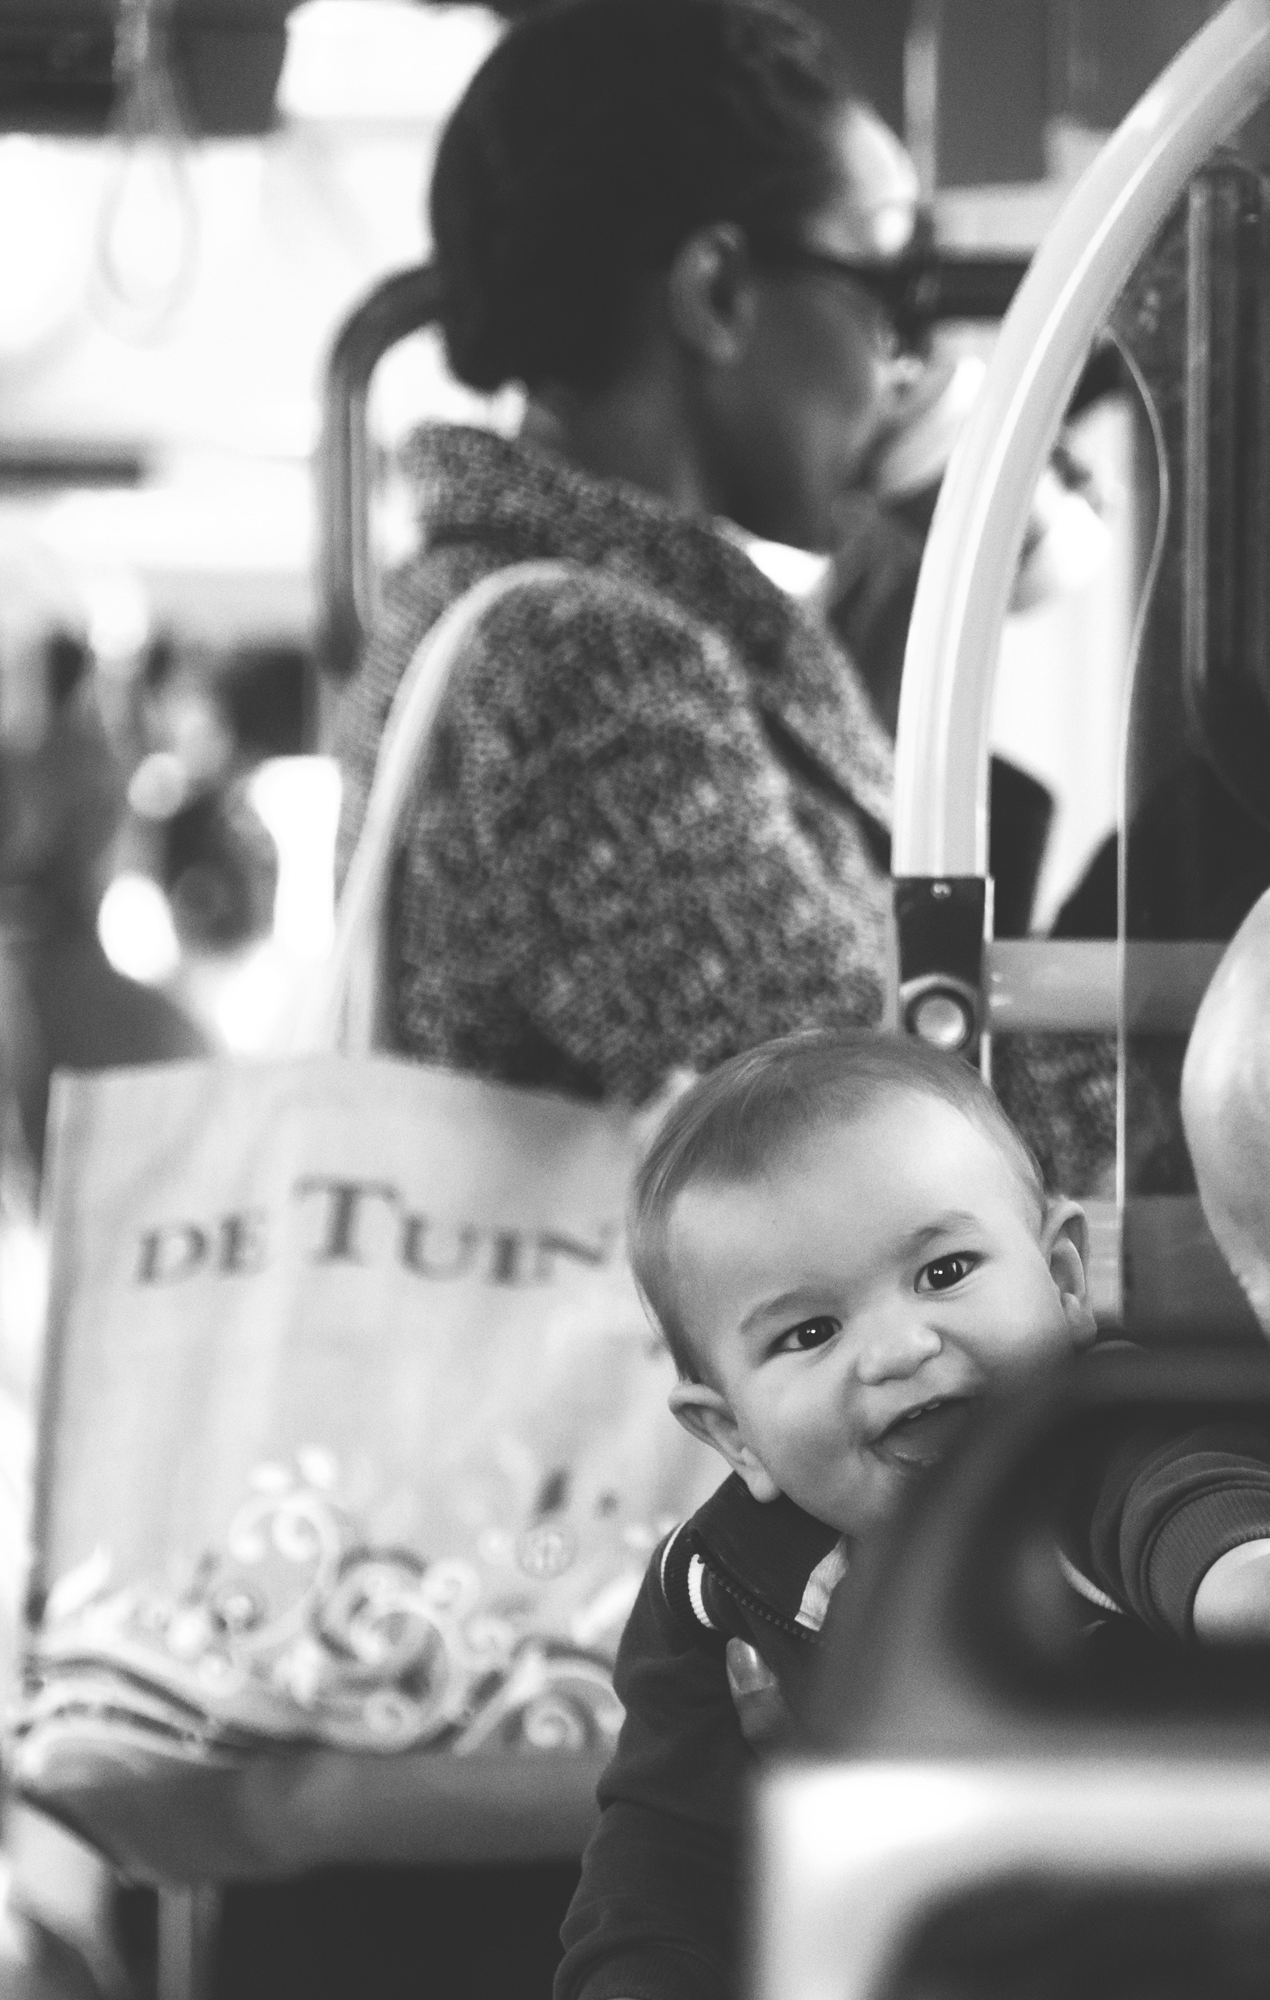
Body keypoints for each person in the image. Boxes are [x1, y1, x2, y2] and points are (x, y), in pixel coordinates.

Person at [555, 1030, 1270, 2000]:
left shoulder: (1093, 1449)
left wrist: (1241, 1578)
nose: (897, 1346)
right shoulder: (718, 1585)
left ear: (1065, 1280)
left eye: (943, 1271)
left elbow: (1195, 1521)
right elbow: (664, 1856)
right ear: (734, 1435)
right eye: (809, 1330)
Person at [330, 0, 916, 1107]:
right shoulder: (576, 663)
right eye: (885, 285)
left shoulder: (527, 608)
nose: (899, 357)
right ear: (720, 294)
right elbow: (872, 1127)